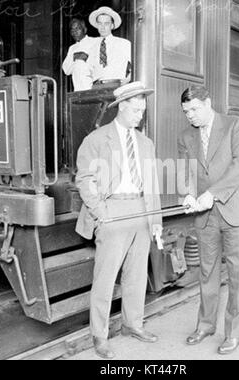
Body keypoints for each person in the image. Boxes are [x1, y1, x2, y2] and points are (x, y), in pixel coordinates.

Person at [75, 81, 163, 359]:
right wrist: (101, 213)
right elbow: (85, 179)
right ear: (121, 107)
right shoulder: (97, 139)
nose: (140, 115)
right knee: (105, 278)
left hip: (140, 210)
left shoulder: (145, 143)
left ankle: (132, 324)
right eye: (136, 110)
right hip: (112, 211)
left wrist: (156, 220)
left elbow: (152, 184)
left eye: (143, 110)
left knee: (137, 275)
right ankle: (99, 336)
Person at [178, 85, 239, 355]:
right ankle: (205, 325)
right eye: (186, 111)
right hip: (205, 215)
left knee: (238, 274)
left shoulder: (236, 125)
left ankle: (234, 332)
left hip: (235, 210)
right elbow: (187, 173)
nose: (190, 115)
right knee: (207, 271)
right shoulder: (186, 136)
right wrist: (189, 195)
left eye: (194, 109)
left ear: (208, 102)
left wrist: (211, 195)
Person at [88, 6, 132, 84]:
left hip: (117, 86)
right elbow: (89, 71)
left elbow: (136, 66)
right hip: (97, 89)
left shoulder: (124, 44)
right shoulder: (92, 47)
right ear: (97, 25)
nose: (103, 27)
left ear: (112, 25)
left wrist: (126, 80)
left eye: (106, 23)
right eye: (100, 23)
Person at [62, 18, 95, 92]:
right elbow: (66, 70)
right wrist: (75, 58)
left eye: (78, 29)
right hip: (77, 89)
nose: (75, 32)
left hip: (93, 88)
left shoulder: (94, 42)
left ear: (85, 30)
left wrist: (86, 58)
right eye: (72, 30)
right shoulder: (72, 48)